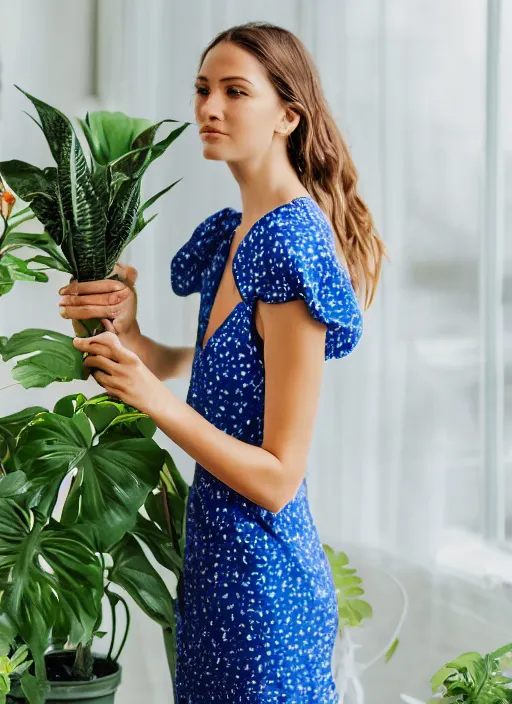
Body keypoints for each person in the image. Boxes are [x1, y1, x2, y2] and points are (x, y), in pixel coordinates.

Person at [59, 21, 387, 703]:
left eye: (236, 91)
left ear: (287, 116)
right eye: (203, 89)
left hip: (265, 590)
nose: (209, 108)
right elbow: (211, 366)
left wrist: (153, 398)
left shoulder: (290, 248)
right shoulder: (236, 234)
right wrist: (132, 336)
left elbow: (276, 478)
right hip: (214, 569)